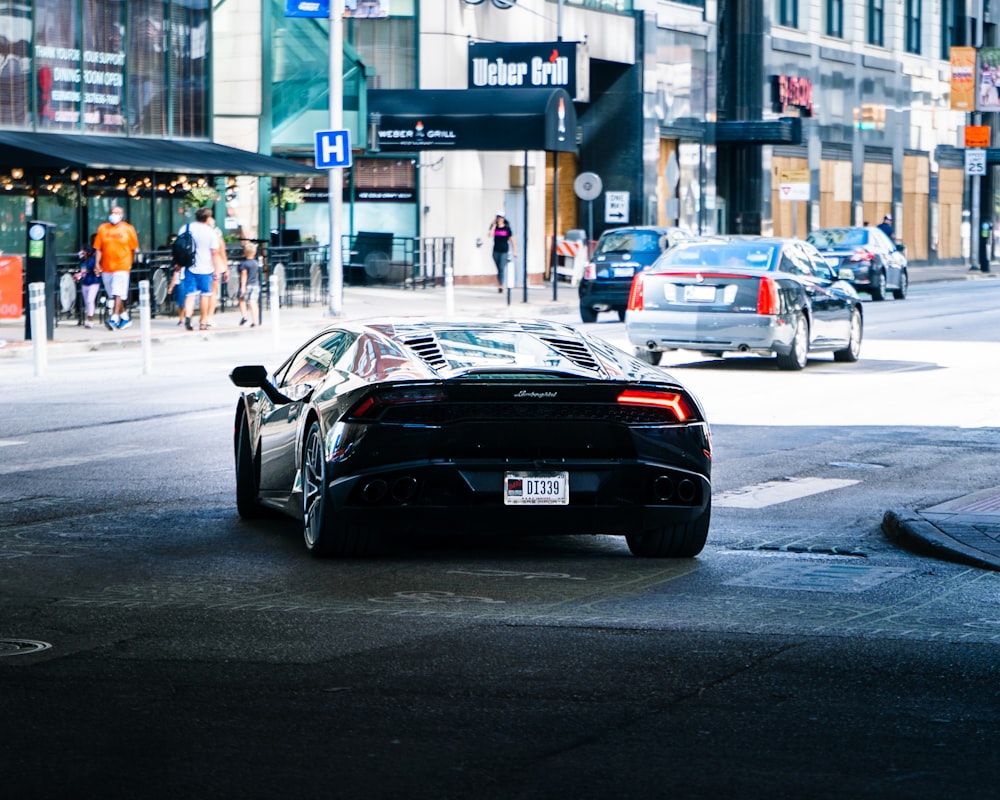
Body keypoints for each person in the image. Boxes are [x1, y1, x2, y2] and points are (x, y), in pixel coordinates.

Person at [92, 204, 139, 330]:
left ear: (122, 215)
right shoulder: (103, 228)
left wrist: (130, 263)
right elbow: (99, 248)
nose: (115, 215)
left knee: (118, 291)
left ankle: (114, 318)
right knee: (113, 294)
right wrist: (97, 262)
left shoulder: (128, 229)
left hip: (122, 265)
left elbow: (133, 248)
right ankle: (124, 317)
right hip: (107, 267)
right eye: (113, 212)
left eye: (118, 212)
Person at [179, 206, 223, 331]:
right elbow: (214, 253)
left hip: (189, 266)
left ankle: (188, 316)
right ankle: (203, 322)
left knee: (190, 294)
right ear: (208, 218)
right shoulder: (211, 233)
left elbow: (179, 247)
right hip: (206, 268)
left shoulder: (186, 228)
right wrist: (217, 270)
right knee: (205, 295)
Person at [488, 211, 517, 293]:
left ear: (503, 218)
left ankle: (501, 285)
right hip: (495, 250)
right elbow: (490, 235)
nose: (499, 219)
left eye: (501, 217)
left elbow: (512, 240)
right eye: (498, 217)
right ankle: (500, 282)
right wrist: (493, 225)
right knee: (498, 268)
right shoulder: (495, 227)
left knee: (501, 268)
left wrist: (515, 251)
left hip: (504, 250)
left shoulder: (507, 228)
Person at [73, 247, 100, 328]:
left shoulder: (92, 261)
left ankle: (90, 320)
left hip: (93, 283)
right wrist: (78, 276)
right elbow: (83, 273)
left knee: (90, 301)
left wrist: (97, 271)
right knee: (87, 303)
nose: (81, 252)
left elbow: (97, 272)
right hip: (85, 283)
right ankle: (89, 319)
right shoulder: (83, 262)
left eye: (83, 251)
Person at [237, 241, 261, 327]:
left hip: (247, 285)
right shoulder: (256, 263)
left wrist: (243, 287)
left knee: (241, 300)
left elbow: (244, 276)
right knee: (253, 302)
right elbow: (257, 274)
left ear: (244, 253)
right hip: (255, 284)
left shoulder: (244, 264)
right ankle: (255, 321)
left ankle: (244, 316)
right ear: (254, 253)